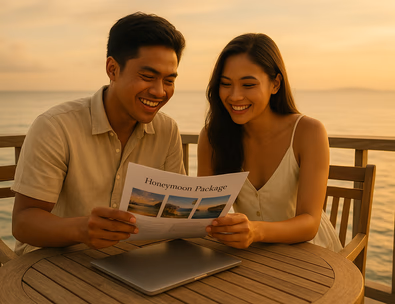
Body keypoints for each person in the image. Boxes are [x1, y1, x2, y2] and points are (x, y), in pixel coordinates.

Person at [11, 12, 186, 255]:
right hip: (53, 266)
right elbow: (23, 223)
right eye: (148, 77)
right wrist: (81, 229)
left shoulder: (168, 131)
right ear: (112, 69)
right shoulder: (55, 126)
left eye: (169, 80)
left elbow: (174, 213)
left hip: (133, 262)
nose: (159, 91)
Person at [198, 33, 342, 252]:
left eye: (248, 85)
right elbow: (205, 212)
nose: (235, 96)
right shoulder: (212, 138)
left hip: (313, 254)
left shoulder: (308, 132)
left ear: (275, 84)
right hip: (252, 256)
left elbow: (310, 223)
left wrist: (255, 231)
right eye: (226, 84)